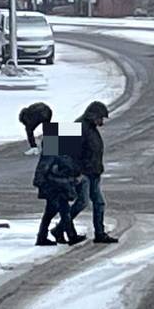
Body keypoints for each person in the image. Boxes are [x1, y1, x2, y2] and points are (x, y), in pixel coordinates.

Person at [70, 100, 118, 244]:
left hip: (93, 173)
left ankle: (100, 233)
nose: (101, 121)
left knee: (98, 203)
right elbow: (56, 145)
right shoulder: (78, 126)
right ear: (93, 115)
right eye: (100, 118)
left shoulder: (90, 128)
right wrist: (73, 171)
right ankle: (61, 227)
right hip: (83, 174)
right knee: (83, 202)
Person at [32, 140, 84, 247]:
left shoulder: (57, 152)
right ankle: (71, 236)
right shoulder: (51, 152)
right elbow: (43, 169)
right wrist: (41, 183)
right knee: (64, 212)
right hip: (54, 188)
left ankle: (42, 237)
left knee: (51, 213)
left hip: (57, 187)